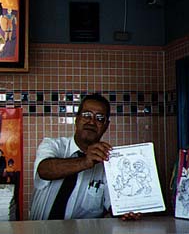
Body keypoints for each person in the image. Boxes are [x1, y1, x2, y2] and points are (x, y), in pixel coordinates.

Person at [29, 93, 141, 221]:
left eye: (99, 118)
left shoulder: (111, 162)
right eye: (87, 115)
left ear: (106, 126)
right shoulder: (52, 145)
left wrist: (126, 210)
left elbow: (115, 205)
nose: (92, 122)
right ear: (77, 119)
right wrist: (85, 161)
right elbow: (44, 170)